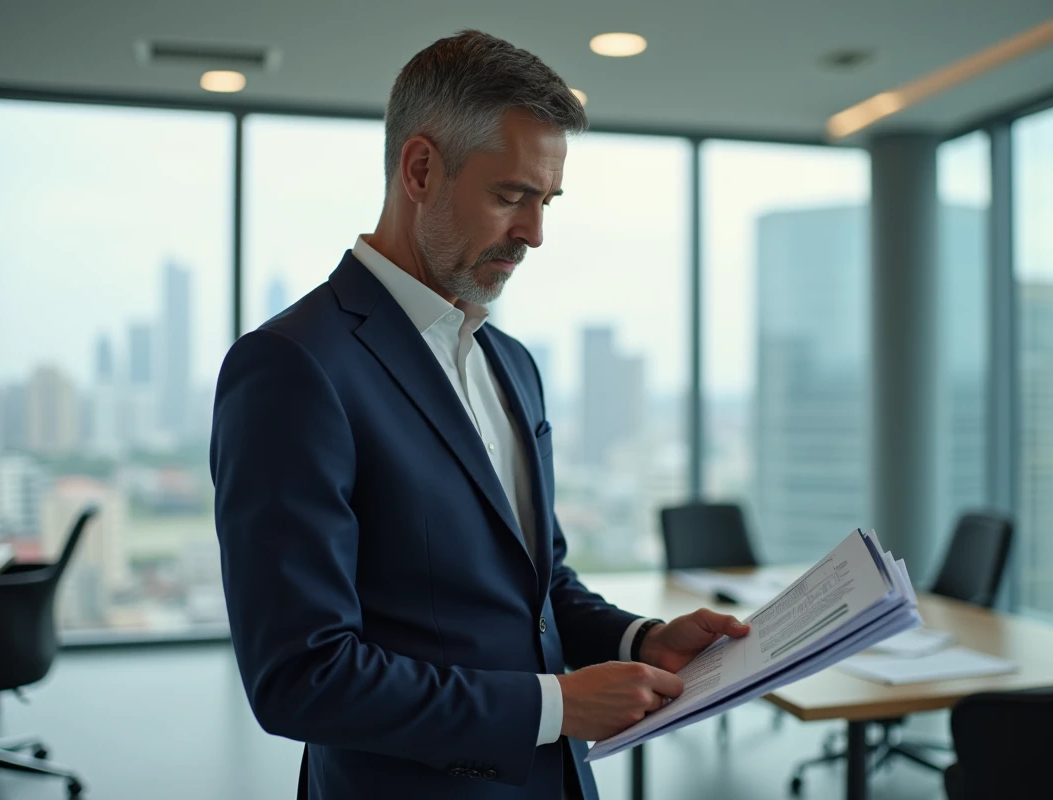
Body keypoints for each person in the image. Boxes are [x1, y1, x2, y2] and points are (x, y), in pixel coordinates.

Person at [210, 29, 750, 800]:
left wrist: (645, 639)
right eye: (511, 197)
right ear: (421, 169)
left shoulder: (512, 364)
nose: (535, 232)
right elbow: (302, 676)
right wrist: (557, 705)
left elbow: (539, 588)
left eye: (546, 200)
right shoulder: (294, 367)